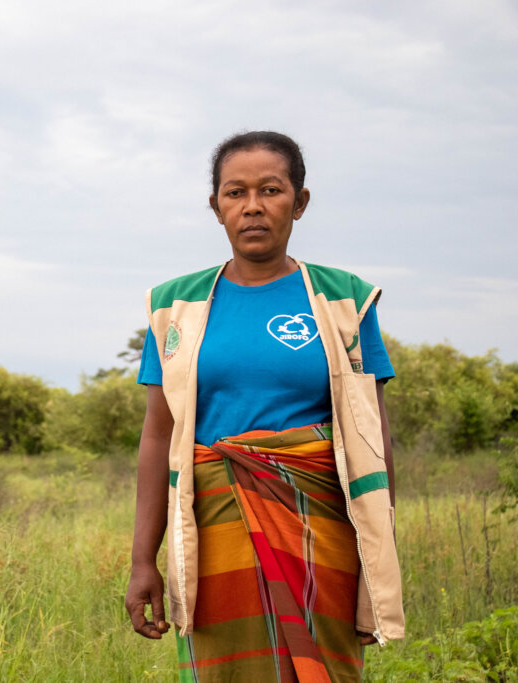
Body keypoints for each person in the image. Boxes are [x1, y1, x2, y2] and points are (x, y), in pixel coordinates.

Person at [124, 131, 404, 682]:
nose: (252, 206)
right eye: (235, 193)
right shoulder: (174, 308)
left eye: (271, 190)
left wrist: (381, 556)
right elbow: (159, 435)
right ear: (216, 207)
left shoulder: (343, 300)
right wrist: (141, 560)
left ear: (299, 202)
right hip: (211, 531)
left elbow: (374, 433)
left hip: (322, 528)